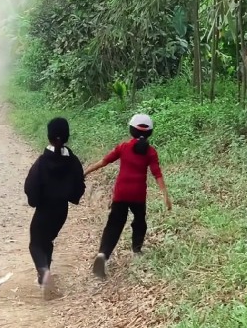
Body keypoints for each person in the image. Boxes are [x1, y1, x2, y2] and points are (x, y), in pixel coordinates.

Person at [84, 113, 172, 280]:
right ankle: (137, 250)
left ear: (131, 130)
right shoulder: (151, 152)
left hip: (121, 193)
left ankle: (103, 254)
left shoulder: (123, 147)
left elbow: (103, 161)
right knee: (139, 222)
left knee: (114, 225)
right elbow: (157, 174)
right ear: (150, 133)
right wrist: (165, 195)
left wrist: (86, 172)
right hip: (138, 195)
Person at [24, 117, 86, 297]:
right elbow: (79, 186)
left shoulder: (42, 162)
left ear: (49, 136)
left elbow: (30, 186)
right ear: (67, 136)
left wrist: (34, 201)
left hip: (44, 209)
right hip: (61, 211)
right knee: (47, 241)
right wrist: (71, 196)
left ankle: (44, 272)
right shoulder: (73, 161)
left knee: (35, 243)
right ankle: (46, 275)